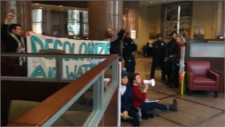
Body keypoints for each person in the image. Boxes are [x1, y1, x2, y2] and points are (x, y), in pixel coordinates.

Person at [1, 12, 27, 76]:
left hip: (23, 61)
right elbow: (3, 31)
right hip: (12, 62)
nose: (20, 31)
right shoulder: (9, 38)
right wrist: (7, 19)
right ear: (13, 30)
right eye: (18, 29)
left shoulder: (22, 38)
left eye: (21, 29)